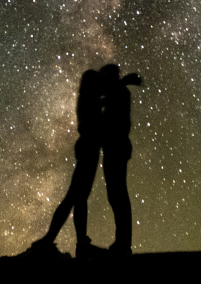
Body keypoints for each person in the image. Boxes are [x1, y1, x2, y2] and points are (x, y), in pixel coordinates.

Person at [32, 69, 104, 258]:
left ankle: (77, 242)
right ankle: (54, 240)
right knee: (74, 197)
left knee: (78, 198)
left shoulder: (88, 98)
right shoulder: (89, 99)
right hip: (88, 149)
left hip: (87, 149)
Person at [99, 64, 142, 257]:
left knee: (118, 195)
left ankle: (123, 244)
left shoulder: (120, 93)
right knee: (115, 195)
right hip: (113, 148)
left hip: (117, 147)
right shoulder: (117, 92)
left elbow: (109, 98)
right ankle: (122, 242)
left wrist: (121, 82)